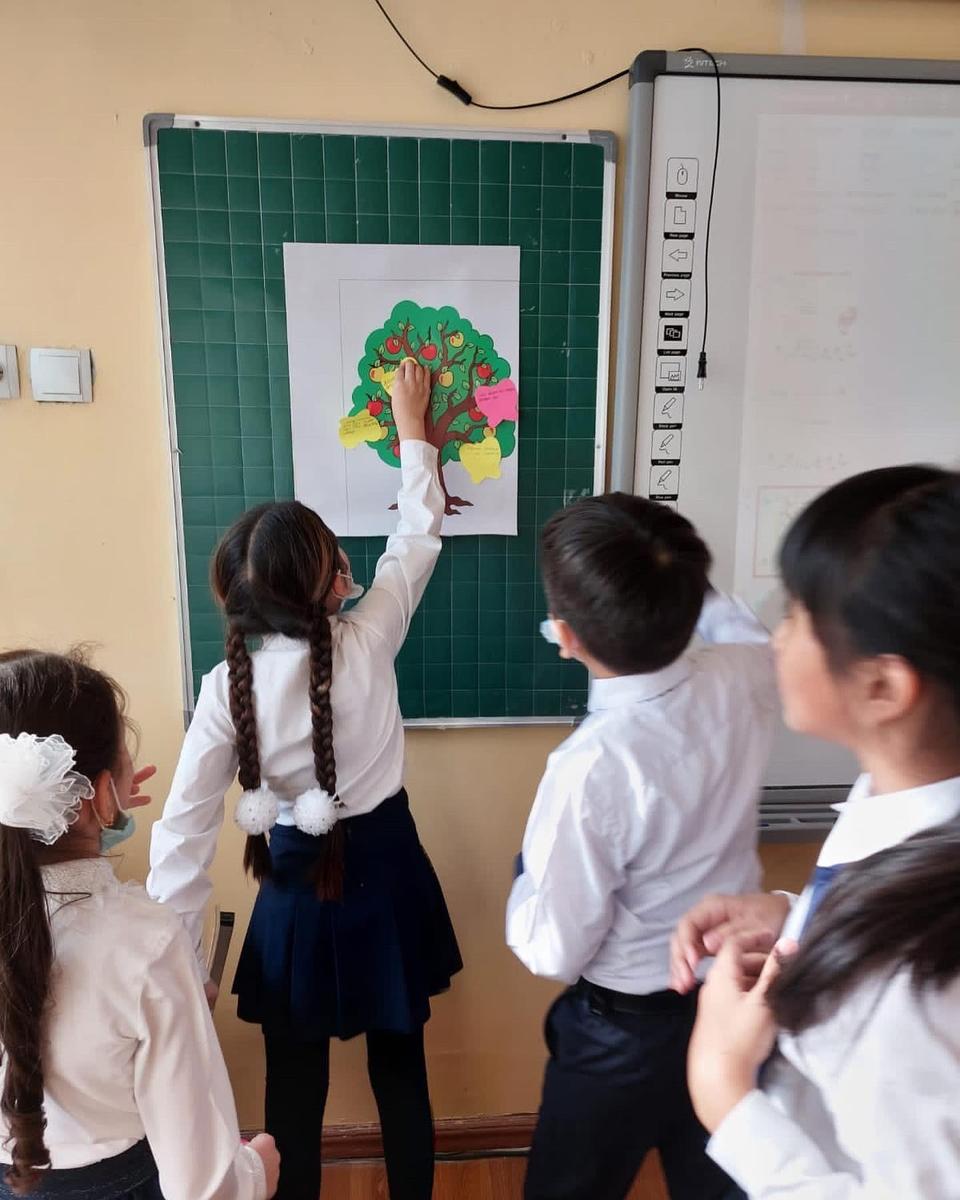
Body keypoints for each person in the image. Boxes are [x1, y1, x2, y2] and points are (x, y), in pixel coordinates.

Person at [148, 360, 462, 1200]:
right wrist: (412, 429)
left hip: (294, 889)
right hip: (389, 877)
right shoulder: (371, 636)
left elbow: (182, 833)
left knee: (292, 1091)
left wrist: (180, 961)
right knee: (402, 1076)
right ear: (333, 584)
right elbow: (416, 537)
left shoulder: (227, 688)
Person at [675, 464, 960, 1198]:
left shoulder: (911, 981)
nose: (775, 636)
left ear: (882, 685)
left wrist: (723, 1091)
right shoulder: (901, 797)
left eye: (798, 614)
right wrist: (799, 916)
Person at [506, 494, 777, 1200]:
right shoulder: (747, 669)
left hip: (620, 1039)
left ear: (565, 636)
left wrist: (527, 881)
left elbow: (552, 950)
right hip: (733, 1003)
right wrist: (668, 571)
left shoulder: (590, 768)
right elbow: (729, 619)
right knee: (724, 1182)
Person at [0, 649, 279, 1200]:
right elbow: (201, 1185)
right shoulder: (146, 942)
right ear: (100, 794)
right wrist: (255, 1173)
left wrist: (96, 814)